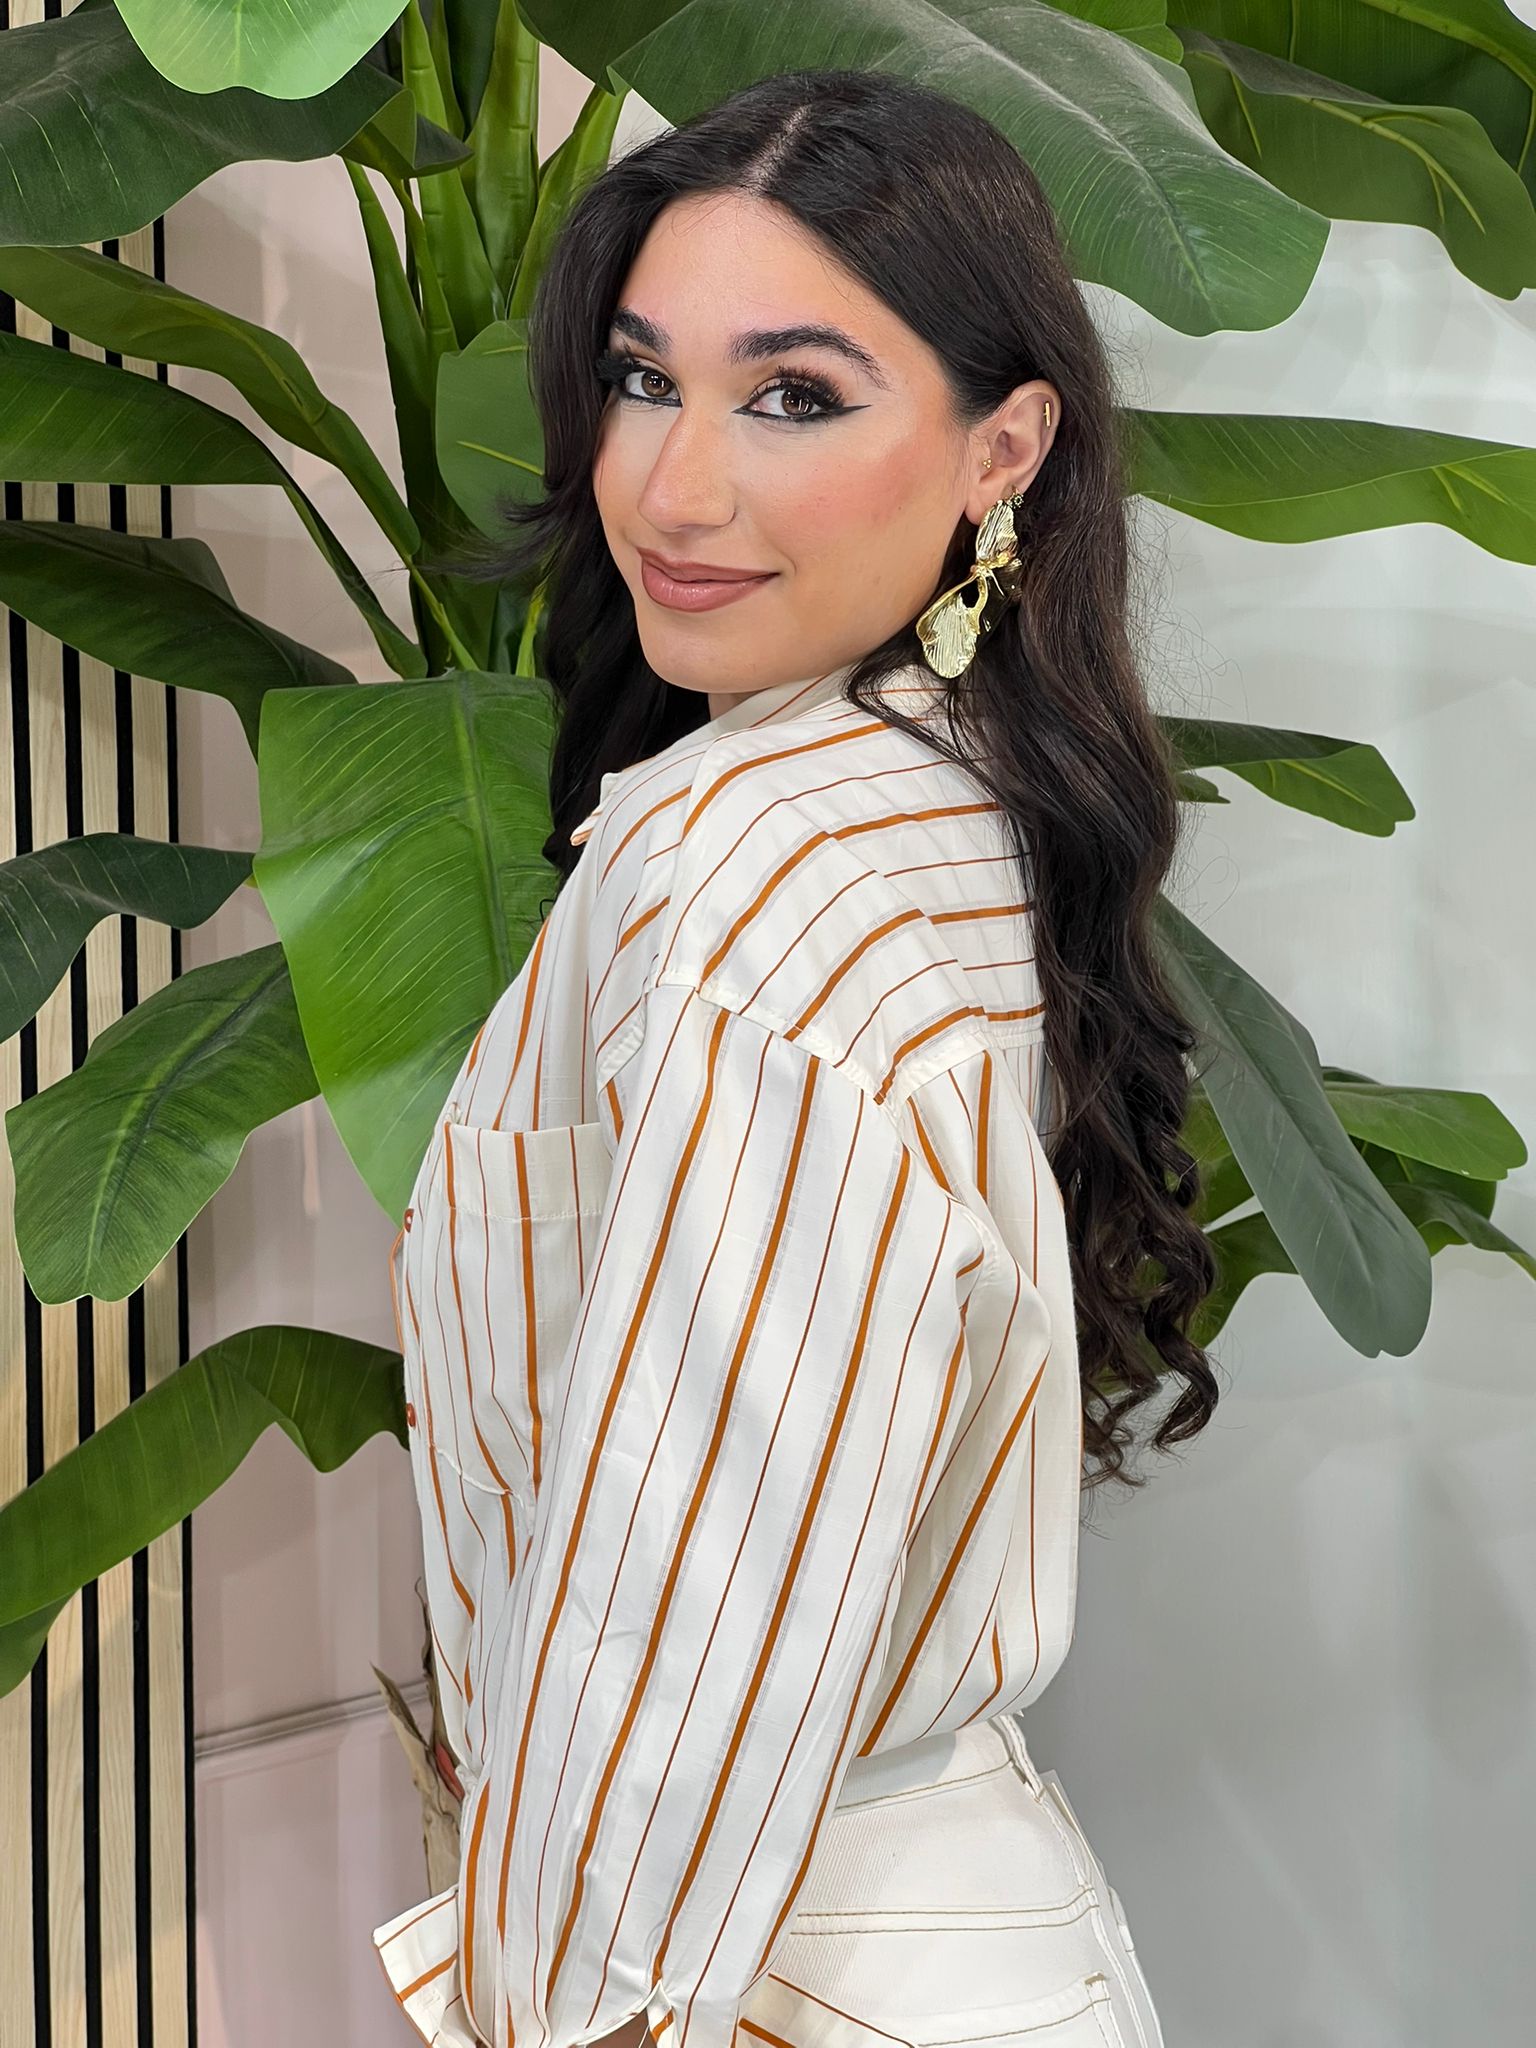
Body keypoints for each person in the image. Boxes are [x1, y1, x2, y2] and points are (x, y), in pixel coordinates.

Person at [373, 66, 1217, 2048]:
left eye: (796, 397)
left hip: (747, 1976)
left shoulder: (764, 861)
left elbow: (691, 1608)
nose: (673, 488)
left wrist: (557, 2015)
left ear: (1005, 446)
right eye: (643, 380)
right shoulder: (959, 792)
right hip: (924, 1934)